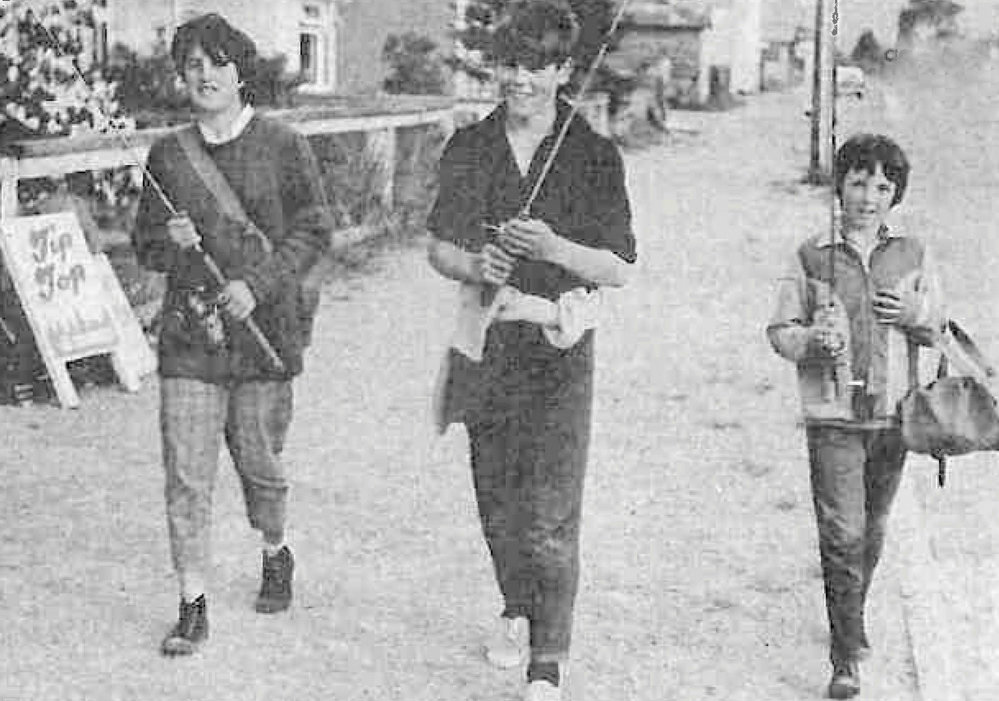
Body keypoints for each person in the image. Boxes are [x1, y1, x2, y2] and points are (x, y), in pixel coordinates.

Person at [426, 2, 636, 699]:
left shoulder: (592, 154)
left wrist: (553, 247)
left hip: (558, 347)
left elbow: (616, 267)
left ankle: (547, 657)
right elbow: (438, 246)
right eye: (511, 63)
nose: (520, 78)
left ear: (564, 70)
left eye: (537, 65)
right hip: (486, 343)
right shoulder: (470, 146)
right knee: (498, 502)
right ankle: (516, 606)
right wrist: (474, 263)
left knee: (550, 513)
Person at [132, 13, 332, 656]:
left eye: (216, 62)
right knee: (186, 473)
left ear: (240, 70)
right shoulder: (168, 155)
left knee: (258, 462)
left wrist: (259, 284)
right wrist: (170, 241)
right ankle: (192, 602)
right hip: (190, 338)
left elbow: (315, 229)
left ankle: (275, 548)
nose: (205, 75)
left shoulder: (282, 145)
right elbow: (144, 245)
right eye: (192, 65)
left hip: (263, 335)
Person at [767, 134, 944, 699]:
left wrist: (915, 312)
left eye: (883, 187)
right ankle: (845, 657)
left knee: (872, 528)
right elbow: (780, 331)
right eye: (859, 182)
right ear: (839, 185)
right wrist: (811, 341)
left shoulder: (912, 253)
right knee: (842, 532)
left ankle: (852, 616)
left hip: (893, 418)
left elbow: (938, 325)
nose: (869, 197)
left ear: (896, 196)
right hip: (833, 416)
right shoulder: (810, 255)